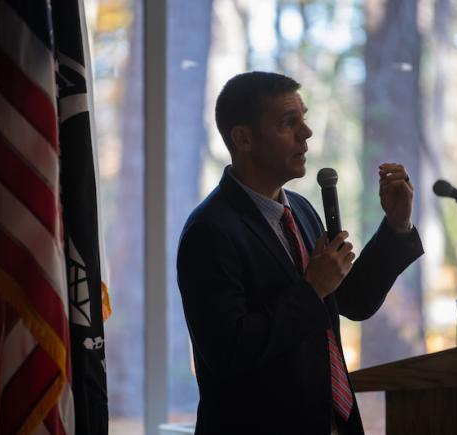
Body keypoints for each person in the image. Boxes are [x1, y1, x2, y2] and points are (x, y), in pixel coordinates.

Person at [176, 71, 424, 435]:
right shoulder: (209, 232)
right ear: (243, 138)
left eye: (304, 118)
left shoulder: (301, 210)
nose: (306, 133)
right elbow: (229, 352)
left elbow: (353, 300)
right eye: (288, 123)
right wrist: (311, 290)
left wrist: (397, 226)